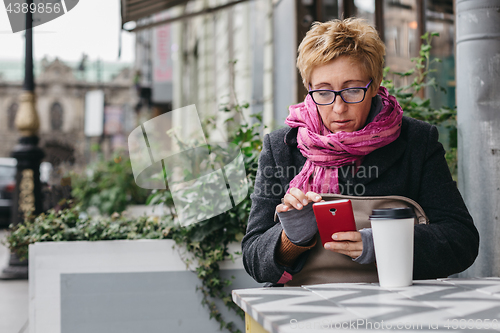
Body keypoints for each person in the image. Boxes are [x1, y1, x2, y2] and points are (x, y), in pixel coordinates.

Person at [242, 18, 479, 286]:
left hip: (399, 308)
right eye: (323, 92)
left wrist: (385, 244)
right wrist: (292, 239)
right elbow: (252, 256)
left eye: (353, 90)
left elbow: (462, 241)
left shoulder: (417, 142)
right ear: (308, 89)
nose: (339, 107)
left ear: (375, 84)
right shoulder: (281, 148)